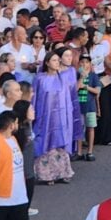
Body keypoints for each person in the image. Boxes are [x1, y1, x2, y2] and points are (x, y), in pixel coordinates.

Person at [31, 50, 76, 184]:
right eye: (54, 60)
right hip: (45, 116)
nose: (57, 63)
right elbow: (34, 98)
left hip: (61, 117)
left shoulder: (63, 77)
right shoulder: (40, 78)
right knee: (46, 141)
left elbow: (69, 97)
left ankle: (63, 172)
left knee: (61, 143)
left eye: (58, 60)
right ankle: (47, 175)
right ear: (47, 63)